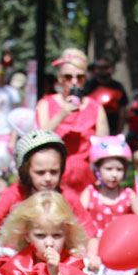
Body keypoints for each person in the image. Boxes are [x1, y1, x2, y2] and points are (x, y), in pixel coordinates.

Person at [0, 129, 98, 265]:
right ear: (26, 171)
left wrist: (91, 256)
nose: (48, 178)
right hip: (17, 267)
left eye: (54, 172)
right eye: (40, 172)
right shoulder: (16, 194)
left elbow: (90, 234)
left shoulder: (67, 197)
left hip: (55, 267)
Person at [80, 134, 138, 275]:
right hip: (92, 248)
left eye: (119, 169)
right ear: (97, 170)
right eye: (108, 168)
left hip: (119, 248)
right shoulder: (90, 193)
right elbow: (77, 217)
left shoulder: (127, 195)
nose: (114, 174)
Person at [35, 48, 108, 191]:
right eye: (68, 77)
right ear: (60, 78)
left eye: (79, 77)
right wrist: (62, 114)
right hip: (53, 177)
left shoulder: (95, 108)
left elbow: (102, 149)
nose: (74, 82)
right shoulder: (46, 104)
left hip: (85, 180)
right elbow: (38, 139)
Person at [84, 56, 128, 135]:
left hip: (113, 129)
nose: (102, 70)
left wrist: (119, 131)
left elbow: (123, 110)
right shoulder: (89, 87)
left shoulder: (117, 87)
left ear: (110, 68)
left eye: (105, 67)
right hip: (92, 129)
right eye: (99, 67)